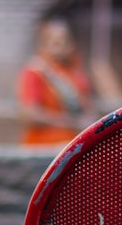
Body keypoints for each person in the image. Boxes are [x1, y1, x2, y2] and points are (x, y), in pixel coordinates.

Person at [17, 18, 96, 146]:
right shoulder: (36, 71)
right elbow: (31, 115)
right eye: (55, 42)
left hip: (74, 144)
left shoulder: (74, 73)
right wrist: (71, 122)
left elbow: (87, 108)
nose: (61, 46)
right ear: (43, 45)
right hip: (45, 147)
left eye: (65, 41)